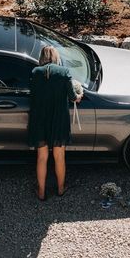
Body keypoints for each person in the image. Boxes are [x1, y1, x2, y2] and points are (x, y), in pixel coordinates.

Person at [28, 45, 82, 201]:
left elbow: (32, 93)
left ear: (42, 57)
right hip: (59, 119)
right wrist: (79, 95)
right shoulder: (64, 72)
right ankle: (60, 188)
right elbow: (72, 97)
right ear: (56, 57)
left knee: (42, 157)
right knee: (59, 157)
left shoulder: (35, 73)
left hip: (39, 119)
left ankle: (41, 192)